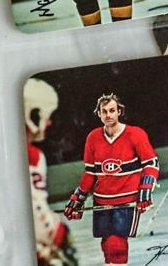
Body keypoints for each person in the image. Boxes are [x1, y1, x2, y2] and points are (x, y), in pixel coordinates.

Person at [64, 94, 159, 265]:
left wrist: (146, 189)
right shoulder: (93, 137)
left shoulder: (135, 134)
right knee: (107, 245)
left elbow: (151, 164)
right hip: (102, 200)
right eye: (104, 111)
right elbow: (90, 173)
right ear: (99, 114)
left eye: (112, 110)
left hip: (127, 201)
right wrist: (78, 198)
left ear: (119, 112)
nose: (108, 115)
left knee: (117, 245)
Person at [24, 77, 75, 266]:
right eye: (47, 116)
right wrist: (57, 233)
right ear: (33, 114)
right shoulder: (31, 156)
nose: (49, 122)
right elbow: (35, 213)